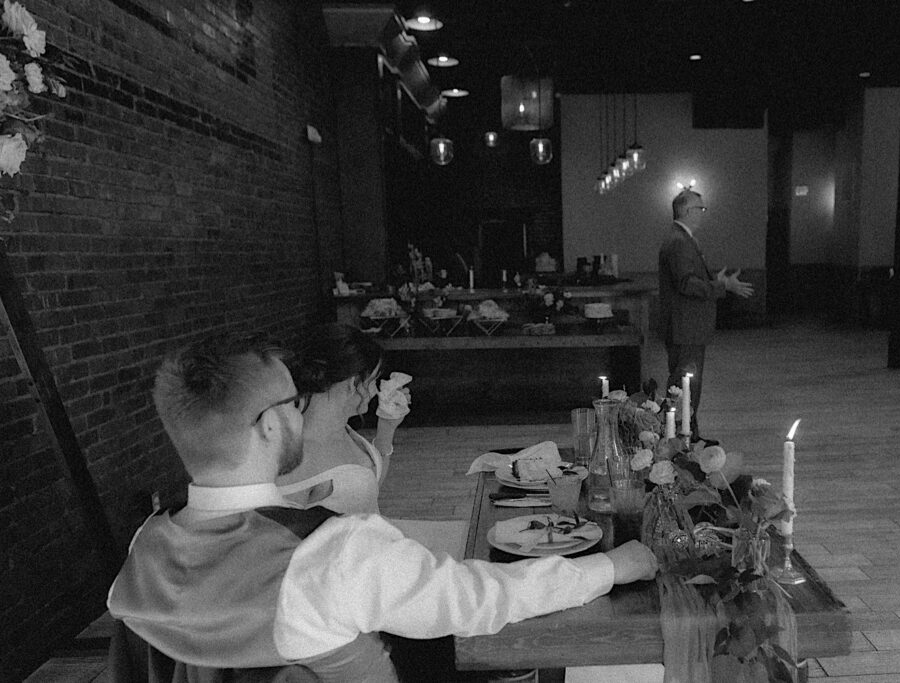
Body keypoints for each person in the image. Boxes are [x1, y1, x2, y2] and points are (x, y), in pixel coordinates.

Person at [107, 331, 658, 681]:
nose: (301, 411)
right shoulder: (333, 552)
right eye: (291, 402)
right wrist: (615, 565)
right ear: (271, 424)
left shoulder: (145, 547)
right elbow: (482, 600)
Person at [658, 189, 753, 441]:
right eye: (700, 209)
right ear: (686, 211)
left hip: (688, 326)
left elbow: (689, 280)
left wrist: (715, 280)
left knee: (689, 386)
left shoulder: (681, 239)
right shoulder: (679, 241)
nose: (702, 213)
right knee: (684, 385)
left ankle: (689, 437)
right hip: (685, 326)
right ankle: (679, 440)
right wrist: (723, 286)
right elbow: (687, 284)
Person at [276, 326, 403, 514]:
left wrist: (387, 428)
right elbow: (280, 531)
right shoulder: (297, 455)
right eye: (373, 381)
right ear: (353, 383)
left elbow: (367, 491)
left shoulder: (343, 429)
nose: (375, 391)